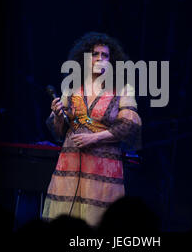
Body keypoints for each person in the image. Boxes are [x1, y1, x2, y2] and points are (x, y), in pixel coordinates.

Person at [42, 32, 142, 227]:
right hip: (70, 164)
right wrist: (57, 114)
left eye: (105, 55)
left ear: (112, 60)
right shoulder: (72, 88)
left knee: (98, 222)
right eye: (95, 54)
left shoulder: (122, 89)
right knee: (65, 220)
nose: (100, 59)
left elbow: (130, 125)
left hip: (103, 166)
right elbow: (58, 130)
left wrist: (94, 139)